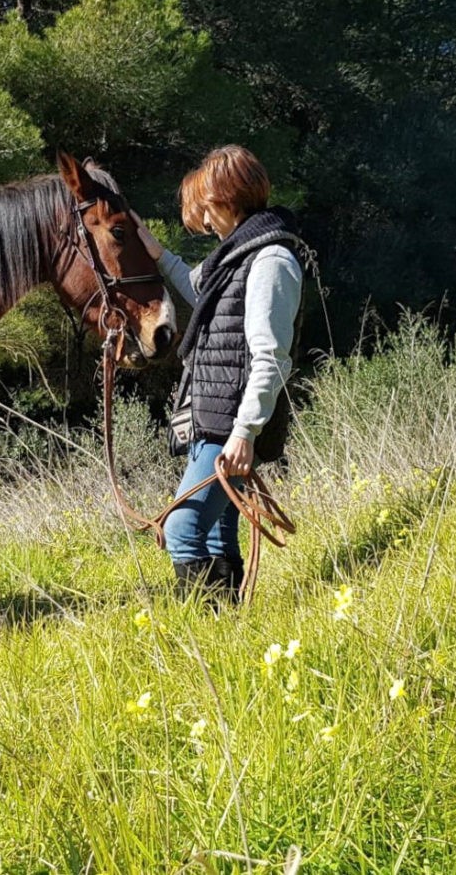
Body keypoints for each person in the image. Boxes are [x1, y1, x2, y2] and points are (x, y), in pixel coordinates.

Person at [134, 145, 304, 601]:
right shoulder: (236, 255)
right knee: (214, 537)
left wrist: (245, 433)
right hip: (214, 421)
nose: (206, 224)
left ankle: (206, 639)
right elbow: (197, 285)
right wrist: (152, 250)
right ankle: (230, 634)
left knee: (182, 529)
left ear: (230, 197)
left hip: (229, 426)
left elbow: (271, 359)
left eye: (207, 210)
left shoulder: (270, 262)